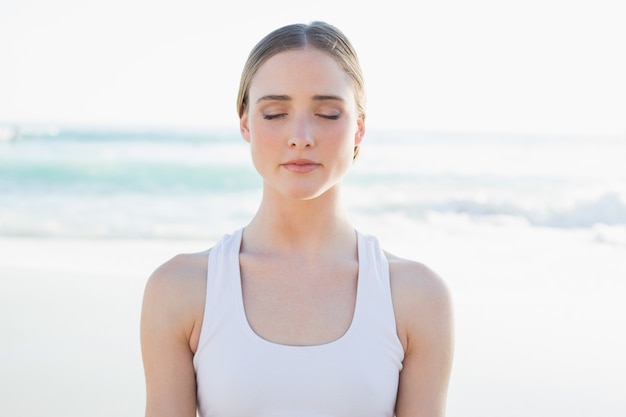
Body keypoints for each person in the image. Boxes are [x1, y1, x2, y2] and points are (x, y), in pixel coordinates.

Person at [140, 21, 454, 417]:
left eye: (327, 113)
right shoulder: (180, 290)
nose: (301, 136)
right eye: (274, 113)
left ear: (358, 127)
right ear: (245, 123)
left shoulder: (416, 296)